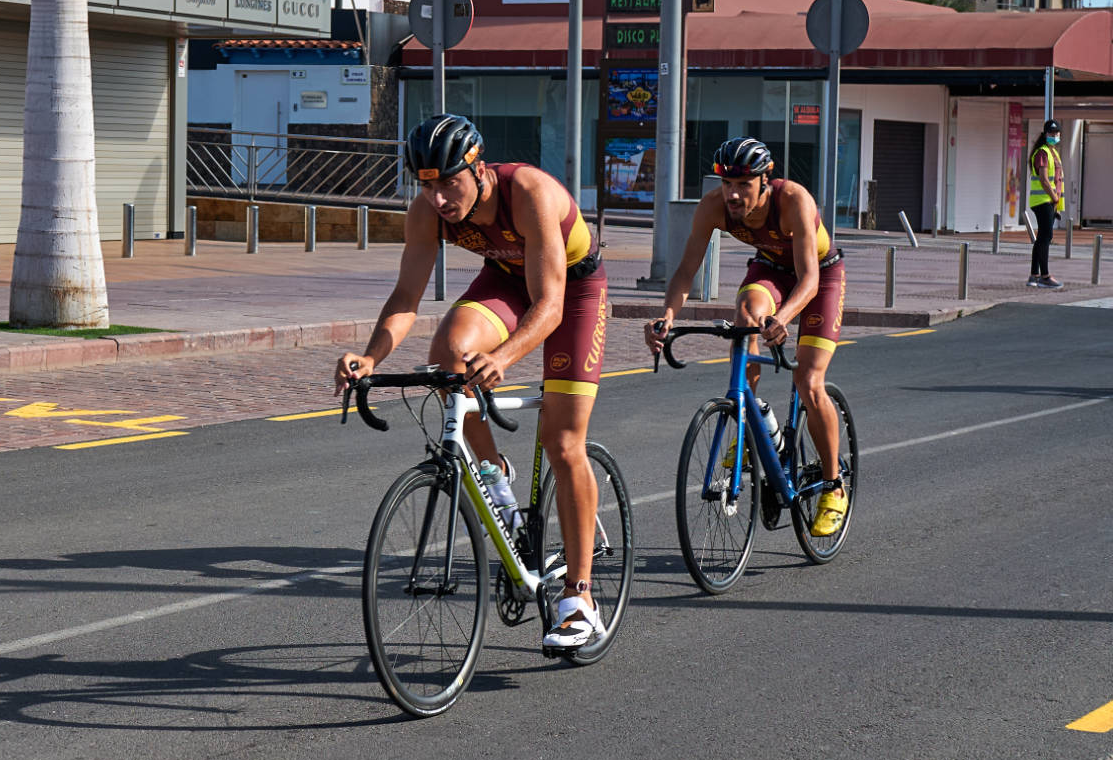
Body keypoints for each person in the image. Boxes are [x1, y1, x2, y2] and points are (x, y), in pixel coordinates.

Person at [333, 114, 610, 650]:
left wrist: (504, 355)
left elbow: (550, 306)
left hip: (573, 291)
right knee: (447, 355)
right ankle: (494, 472)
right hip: (506, 279)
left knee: (562, 441)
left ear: (479, 168)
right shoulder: (427, 213)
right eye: (426, 186)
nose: (438, 199)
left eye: (448, 184)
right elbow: (406, 300)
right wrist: (369, 356)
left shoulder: (527, 190)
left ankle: (580, 597)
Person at [646, 137, 848, 537]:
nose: (733, 194)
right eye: (727, 184)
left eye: (743, 185)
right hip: (770, 269)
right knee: (743, 316)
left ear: (765, 181)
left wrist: (784, 318)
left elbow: (809, 278)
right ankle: (749, 418)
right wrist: (667, 316)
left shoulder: (794, 201)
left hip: (819, 277)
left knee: (808, 382)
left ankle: (833, 484)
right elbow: (687, 270)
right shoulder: (713, 207)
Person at [1027, 119, 1066, 289]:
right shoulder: (1043, 152)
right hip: (1043, 200)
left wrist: (1056, 202)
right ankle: (1045, 276)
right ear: (1045, 134)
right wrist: (1054, 197)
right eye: (1051, 133)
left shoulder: (1053, 152)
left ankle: (1034, 276)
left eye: (1056, 133)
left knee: (1041, 238)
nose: (1054, 136)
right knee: (1045, 238)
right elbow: (1043, 179)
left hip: (1047, 202)